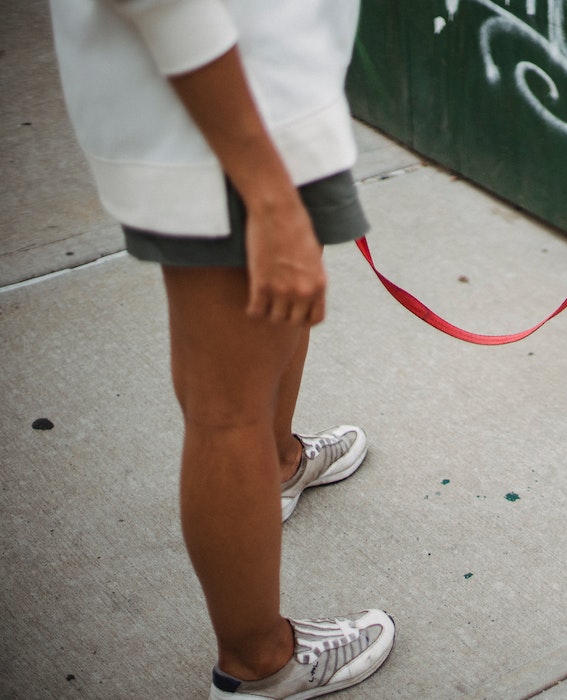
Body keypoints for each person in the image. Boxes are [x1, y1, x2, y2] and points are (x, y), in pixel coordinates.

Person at [49, 1, 395, 697]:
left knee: (282, 304)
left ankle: (279, 465)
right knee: (225, 408)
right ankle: (258, 659)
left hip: (266, 98)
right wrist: (266, 191)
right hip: (219, 119)